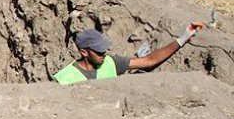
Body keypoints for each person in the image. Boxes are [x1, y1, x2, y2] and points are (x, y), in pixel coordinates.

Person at [53, 22, 207, 85]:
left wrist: (183, 38)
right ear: (84, 52)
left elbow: (148, 61)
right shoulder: (64, 78)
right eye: (99, 51)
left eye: (104, 49)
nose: (103, 54)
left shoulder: (111, 62)